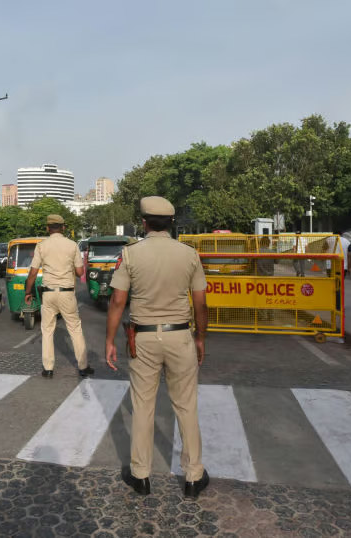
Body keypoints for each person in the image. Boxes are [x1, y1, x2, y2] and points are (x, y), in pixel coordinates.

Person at [105, 196, 210, 499]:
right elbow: (201, 303)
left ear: (144, 223)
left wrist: (110, 340)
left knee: (142, 407)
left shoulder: (131, 254)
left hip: (144, 338)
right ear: (172, 223)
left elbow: (117, 301)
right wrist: (200, 338)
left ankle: (141, 476)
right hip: (180, 336)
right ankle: (192, 477)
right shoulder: (189, 254)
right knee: (187, 406)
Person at [24, 214, 91, 378]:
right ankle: (83, 367)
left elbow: (32, 273)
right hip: (67, 293)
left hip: (48, 293)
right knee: (75, 329)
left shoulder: (41, 246)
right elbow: (80, 272)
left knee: (47, 331)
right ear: (63, 227)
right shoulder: (72, 245)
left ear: (48, 228)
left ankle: (48, 369)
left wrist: (28, 292)